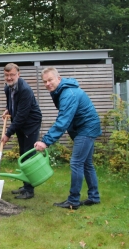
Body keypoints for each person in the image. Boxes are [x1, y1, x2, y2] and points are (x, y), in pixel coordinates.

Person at [34, 67, 101, 209]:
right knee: (86, 164)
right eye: (44, 81)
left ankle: (73, 201)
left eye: (50, 80)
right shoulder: (61, 91)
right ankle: (94, 197)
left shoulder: (68, 93)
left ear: (59, 78)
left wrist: (46, 141)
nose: (47, 84)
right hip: (84, 127)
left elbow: (63, 120)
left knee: (76, 163)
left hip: (86, 128)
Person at [1, 63, 42, 199]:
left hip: (30, 124)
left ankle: (29, 191)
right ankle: (25, 186)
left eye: (12, 75)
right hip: (20, 123)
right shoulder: (8, 88)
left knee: (27, 156)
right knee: (22, 154)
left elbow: (22, 116)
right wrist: (8, 109)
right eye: (7, 75)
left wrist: (7, 133)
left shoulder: (25, 90)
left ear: (18, 74)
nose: (9, 77)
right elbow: (12, 104)